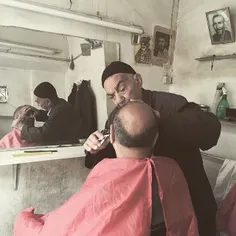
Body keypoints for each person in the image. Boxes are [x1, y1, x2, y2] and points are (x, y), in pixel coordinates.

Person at [14, 101, 199, 236]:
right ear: (156, 138)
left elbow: (67, 226)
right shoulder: (172, 169)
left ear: (111, 135)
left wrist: (26, 221)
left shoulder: (105, 171)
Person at [84, 61, 221, 236]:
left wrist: (160, 121)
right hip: (151, 209)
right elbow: (112, 160)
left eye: (122, 89)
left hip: (191, 198)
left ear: (138, 80)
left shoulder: (170, 103)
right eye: (112, 96)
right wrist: (96, 149)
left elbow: (211, 130)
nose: (119, 100)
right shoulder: (116, 116)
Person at [13, 82, 78, 145]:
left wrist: (20, 126)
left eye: (38, 102)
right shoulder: (59, 104)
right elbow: (52, 118)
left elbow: (44, 134)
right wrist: (38, 112)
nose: (38, 105)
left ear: (48, 101)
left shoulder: (61, 110)